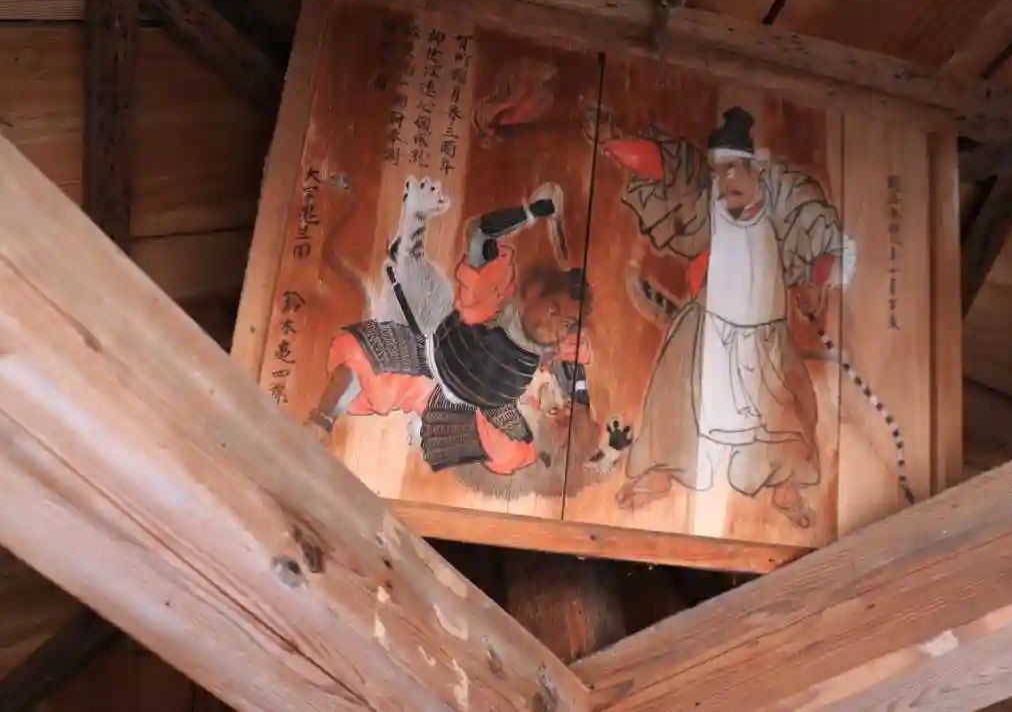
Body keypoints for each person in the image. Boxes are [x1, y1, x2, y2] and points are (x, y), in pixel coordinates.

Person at [603, 106, 849, 528]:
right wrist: (615, 145)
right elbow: (667, 168)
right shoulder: (708, 206)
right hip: (709, 324)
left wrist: (815, 281)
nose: (726, 182)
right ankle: (662, 472)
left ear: (756, 169)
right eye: (718, 172)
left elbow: (818, 236)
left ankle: (785, 484)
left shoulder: (782, 202)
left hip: (765, 333)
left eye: (735, 169)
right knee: (675, 394)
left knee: (788, 410)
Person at [306, 190, 591, 476]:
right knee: (362, 358)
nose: (555, 326)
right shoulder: (492, 299)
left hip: (474, 409)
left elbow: (574, 384)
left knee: (515, 454)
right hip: (430, 362)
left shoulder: (555, 353)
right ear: (534, 292)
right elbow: (479, 233)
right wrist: (531, 212)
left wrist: (577, 408)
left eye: (566, 324)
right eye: (553, 310)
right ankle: (321, 422)